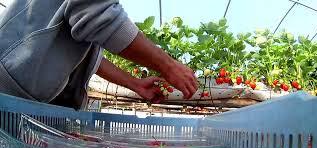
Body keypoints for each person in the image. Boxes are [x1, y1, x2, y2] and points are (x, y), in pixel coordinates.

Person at [0, 0, 198, 110]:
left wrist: (134, 83)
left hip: (28, 102)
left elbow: (88, 54)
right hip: (10, 97)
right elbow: (99, 15)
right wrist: (168, 65)